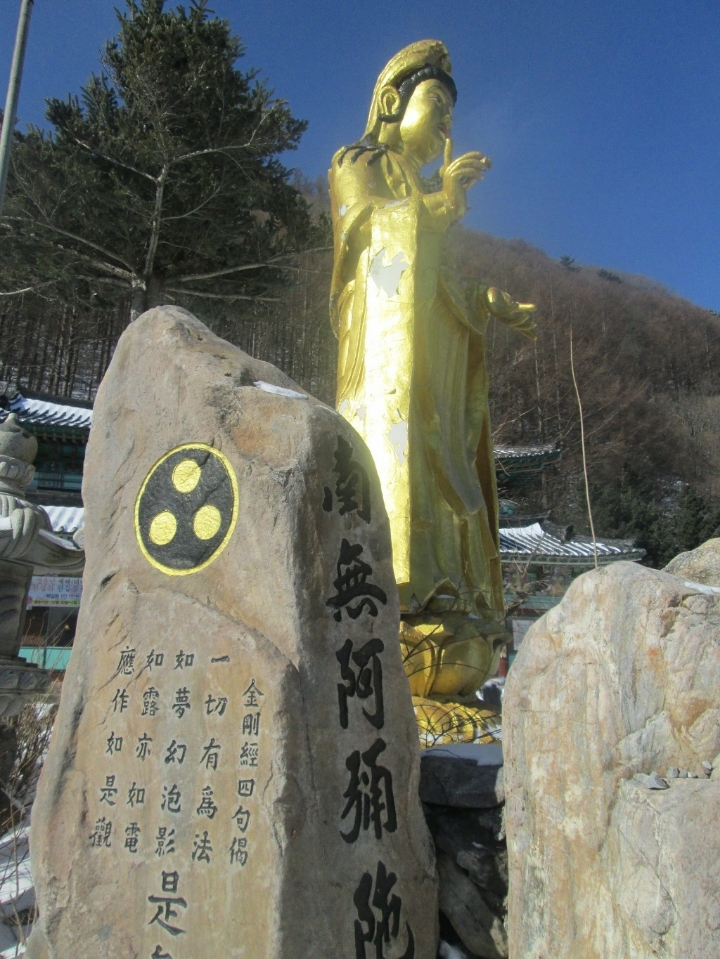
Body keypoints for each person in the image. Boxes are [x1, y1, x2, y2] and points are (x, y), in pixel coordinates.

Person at [329, 40, 536, 700]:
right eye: (437, 104)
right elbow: (369, 238)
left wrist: (484, 300)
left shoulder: (422, 188)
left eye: (451, 112)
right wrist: (443, 203)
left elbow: (438, 281)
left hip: (435, 374)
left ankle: (454, 603)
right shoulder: (357, 162)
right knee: (398, 479)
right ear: (393, 101)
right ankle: (398, 607)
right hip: (387, 375)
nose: (447, 123)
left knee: (452, 483)